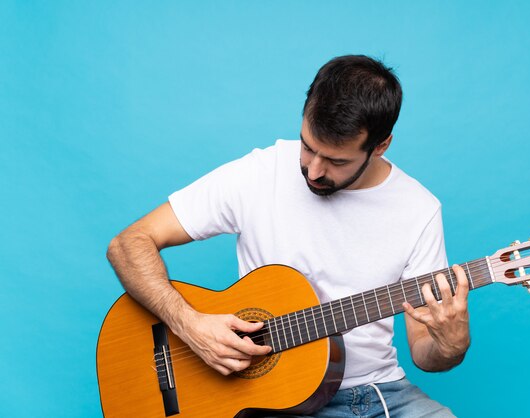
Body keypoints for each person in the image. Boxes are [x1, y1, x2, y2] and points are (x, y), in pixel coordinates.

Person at [107, 55, 470, 417]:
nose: (313, 170)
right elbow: (128, 244)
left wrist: (449, 344)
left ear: (380, 146)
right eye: (307, 146)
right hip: (265, 396)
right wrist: (188, 325)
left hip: (377, 393)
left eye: (336, 161)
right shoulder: (259, 173)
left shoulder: (418, 210)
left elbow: (425, 350)